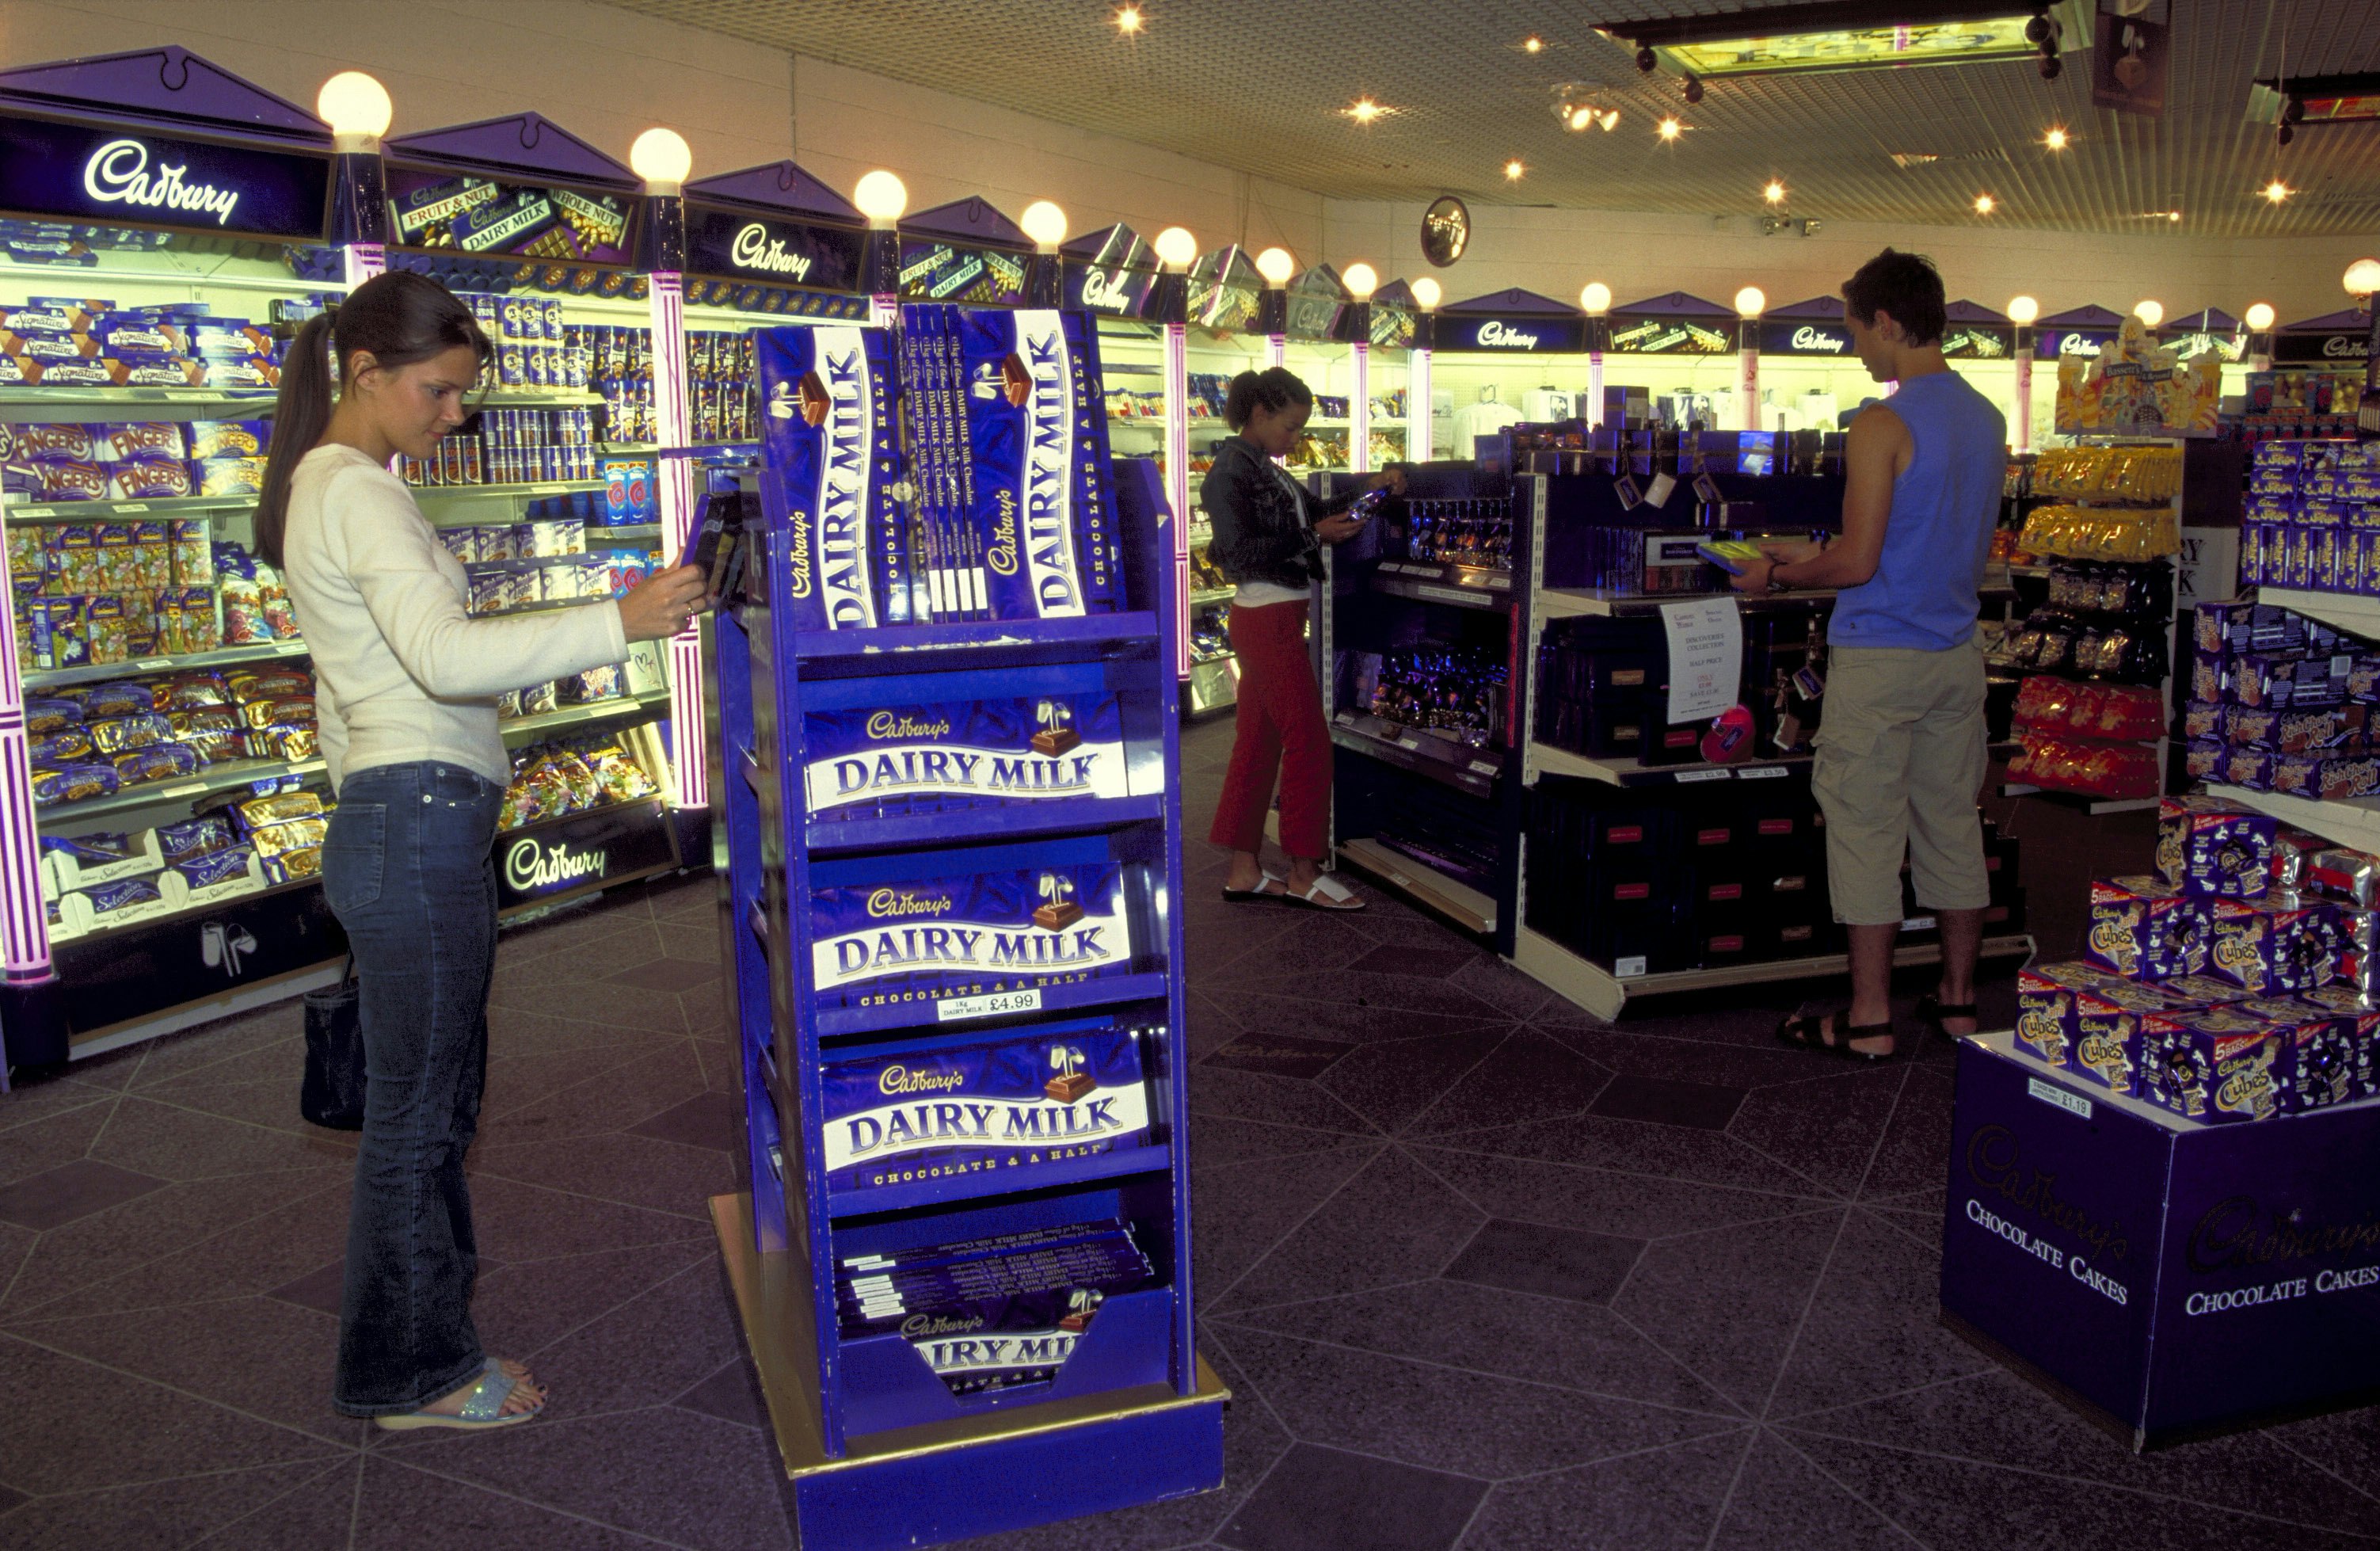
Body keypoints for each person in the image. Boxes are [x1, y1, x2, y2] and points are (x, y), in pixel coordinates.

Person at [255, 272, 706, 1428]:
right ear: (365, 374)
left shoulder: (333, 488)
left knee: (429, 1102)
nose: (455, 413)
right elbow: (445, 660)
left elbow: (349, 694)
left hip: (396, 822)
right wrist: (622, 619)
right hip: (413, 831)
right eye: (439, 390)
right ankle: (418, 1372)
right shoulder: (355, 493)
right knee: (421, 1113)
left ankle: (415, 1352)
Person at [1727, 249, 2006, 1061]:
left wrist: (1775, 570)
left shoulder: (1880, 422)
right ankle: (1957, 1002)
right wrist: (1819, 546)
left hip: (1878, 659)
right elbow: (1924, 536)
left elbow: (1856, 565)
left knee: (1862, 831)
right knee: (1952, 824)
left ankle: (1869, 1017)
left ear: (1885, 322)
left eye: (1854, 333)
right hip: (1956, 650)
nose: (1855, 350)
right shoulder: (1984, 416)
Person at [1203, 367, 1402, 910]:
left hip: (1277, 616)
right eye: (1291, 427)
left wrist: (1371, 493)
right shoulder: (1228, 474)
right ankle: (1302, 869)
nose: (1296, 439)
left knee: (1258, 744)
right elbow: (1236, 554)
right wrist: (1313, 533)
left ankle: (1244, 870)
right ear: (1260, 415)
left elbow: (1314, 515)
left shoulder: (1265, 470)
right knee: (1308, 740)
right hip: (1264, 618)